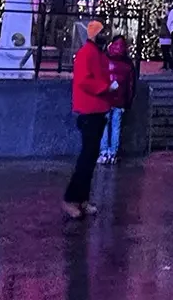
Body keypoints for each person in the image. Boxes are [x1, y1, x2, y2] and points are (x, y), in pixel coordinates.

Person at [63, 20, 116, 219]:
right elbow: (85, 80)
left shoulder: (97, 54)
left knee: (90, 157)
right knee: (86, 157)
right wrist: (106, 87)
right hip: (89, 109)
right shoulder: (87, 54)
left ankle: (82, 199)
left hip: (97, 109)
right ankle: (71, 199)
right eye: (102, 32)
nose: (105, 36)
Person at [100, 34, 136, 166]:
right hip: (120, 100)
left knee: (104, 126)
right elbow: (131, 85)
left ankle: (104, 152)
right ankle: (113, 153)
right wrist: (128, 102)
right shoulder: (128, 63)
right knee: (116, 127)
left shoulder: (104, 59)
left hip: (105, 98)